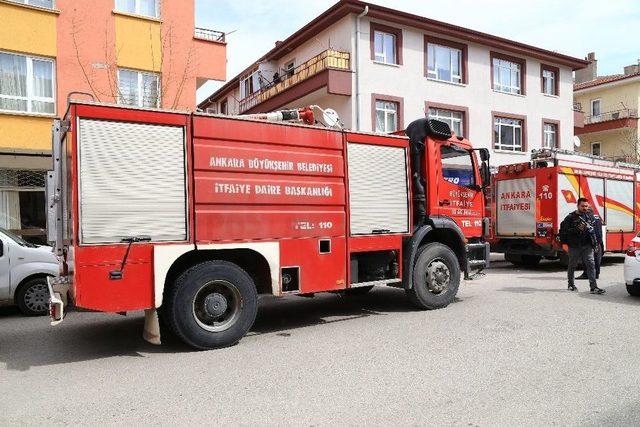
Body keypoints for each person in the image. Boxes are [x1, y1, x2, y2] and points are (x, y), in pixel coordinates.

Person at [558, 198, 605, 294]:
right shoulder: (570, 217)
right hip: (574, 246)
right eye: (582, 206)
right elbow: (564, 231)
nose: (584, 208)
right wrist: (576, 230)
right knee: (572, 265)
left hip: (587, 246)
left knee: (591, 265)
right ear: (578, 205)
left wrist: (596, 243)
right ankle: (571, 284)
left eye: (586, 206)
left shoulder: (589, 216)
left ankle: (593, 287)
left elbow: (594, 231)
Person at [576, 208, 603, 280]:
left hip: (589, 241)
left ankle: (586, 274)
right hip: (598, 241)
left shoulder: (586, 218)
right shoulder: (597, 217)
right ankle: (596, 274)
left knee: (586, 258)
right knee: (597, 258)